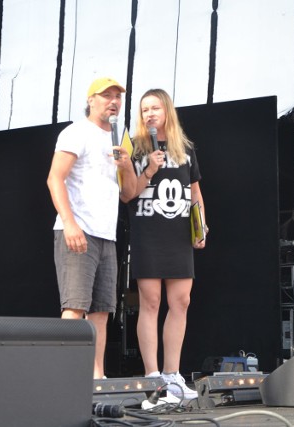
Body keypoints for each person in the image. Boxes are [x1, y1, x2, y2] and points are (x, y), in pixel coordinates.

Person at [120, 88, 207, 400]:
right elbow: (127, 194)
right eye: (145, 110)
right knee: (151, 302)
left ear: (167, 110)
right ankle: (152, 378)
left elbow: (195, 192)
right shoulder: (136, 149)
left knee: (181, 301)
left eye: (155, 108)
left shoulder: (185, 149)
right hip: (148, 233)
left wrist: (201, 225)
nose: (150, 114)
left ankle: (173, 375)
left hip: (178, 234)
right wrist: (150, 168)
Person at [47, 77, 136, 379]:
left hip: (106, 236)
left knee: (101, 310)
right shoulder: (76, 132)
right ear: (91, 100)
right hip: (78, 229)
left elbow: (129, 194)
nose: (113, 101)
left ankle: (96, 377)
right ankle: (66, 377)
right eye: (106, 95)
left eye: (118, 97)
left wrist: (127, 166)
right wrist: (70, 224)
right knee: (74, 307)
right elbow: (54, 178)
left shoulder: (118, 141)